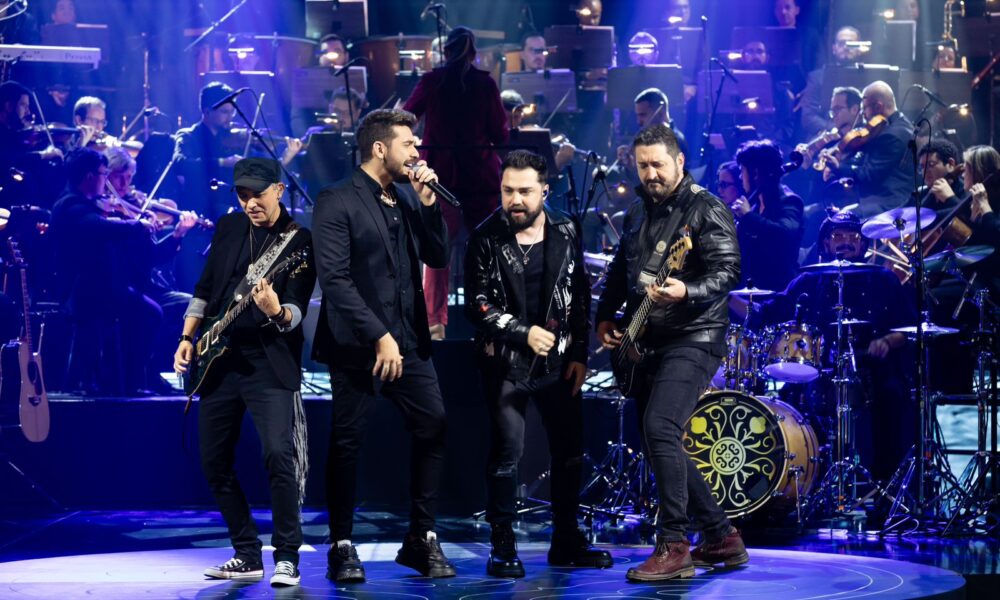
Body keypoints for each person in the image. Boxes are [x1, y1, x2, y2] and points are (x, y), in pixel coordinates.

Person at [596, 124, 747, 581]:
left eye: (658, 164)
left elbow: (729, 270)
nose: (651, 174)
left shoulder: (706, 207)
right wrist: (605, 318)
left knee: (661, 426)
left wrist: (687, 290)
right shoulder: (636, 212)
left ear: (679, 161)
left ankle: (674, 544)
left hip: (695, 335)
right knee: (656, 438)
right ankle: (721, 536)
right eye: (643, 165)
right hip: (646, 338)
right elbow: (621, 272)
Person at [312, 109, 455, 583]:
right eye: (409, 144)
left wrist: (429, 203)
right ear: (380, 148)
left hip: (408, 341)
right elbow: (335, 279)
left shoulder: (407, 199)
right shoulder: (337, 199)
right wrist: (379, 334)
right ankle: (341, 544)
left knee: (433, 422)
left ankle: (420, 536)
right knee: (348, 440)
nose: (417, 152)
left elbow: (438, 256)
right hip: (360, 344)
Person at [464, 150, 611, 578]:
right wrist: (520, 331)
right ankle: (502, 544)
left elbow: (579, 295)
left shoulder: (566, 227)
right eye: (508, 190)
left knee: (569, 451)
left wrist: (579, 354)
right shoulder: (486, 236)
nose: (515, 200)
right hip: (506, 362)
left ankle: (566, 539)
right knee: (507, 453)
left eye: (525, 191)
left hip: (558, 360)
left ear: (545, 191)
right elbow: (477, 305)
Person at [173, 157, 315, 587]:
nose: (251, 203)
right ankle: (247, 553)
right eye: (243, 195)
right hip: (219, 362)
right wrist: (187, 337)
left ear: (279, 190)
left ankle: (286, 557)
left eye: (259, 194)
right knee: (213, 460)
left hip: (268, 362)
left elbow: (297, 308)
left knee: (279, 456)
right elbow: (204, 289)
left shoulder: (298, 241)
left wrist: (275, 310)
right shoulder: (229, 227)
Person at [734, 211, 916, 484]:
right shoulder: (809, 280)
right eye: (838, 236)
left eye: (853, 236)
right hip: (822, 370)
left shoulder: (883, 279)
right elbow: (767, 313)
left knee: (893, 395)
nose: (846, 241)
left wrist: (887, 341)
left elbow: (909, 328)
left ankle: (883, 483)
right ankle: (802, 481)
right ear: (826, 243)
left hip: (875, 368)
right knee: (789, 399)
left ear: (863, 243)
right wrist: (724, 297)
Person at [403, 26, 508, 340]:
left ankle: (435, 322)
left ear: (445, 52)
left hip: (441, 177)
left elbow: (406, 117)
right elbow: (499, 134)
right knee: (488, 250)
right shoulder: (485, 84)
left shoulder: (432, 81)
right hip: (480, 177)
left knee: (438, 252)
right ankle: (493, 317)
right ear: (474, 54)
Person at [49, 149, 161, 394]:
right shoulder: (71, 205)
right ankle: (128, 382)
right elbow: (97, 226)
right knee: (150, 314)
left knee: (143, 312)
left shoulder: (85, 205)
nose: (106, 179)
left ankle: (122, 381)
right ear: (90, 176)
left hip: (101, 289)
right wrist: (136, 224)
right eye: (104, 173)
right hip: (83, 293)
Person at [822, 81, 915, 217]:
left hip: (888, 201)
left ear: (878, 106)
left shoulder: (892, 135)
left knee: (841, 217)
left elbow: (868, 175)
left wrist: (838, 167)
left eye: (864, 108)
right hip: (876, 197)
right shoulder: (892, 125)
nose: (863, 115)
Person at [732, 139, 804, 292]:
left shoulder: (789, 201)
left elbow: (783, 234)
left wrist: (747, 217)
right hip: (750, 290)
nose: (740, 177)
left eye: (742, 170)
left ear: (755, 173)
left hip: (778, 293)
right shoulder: (755, 204)